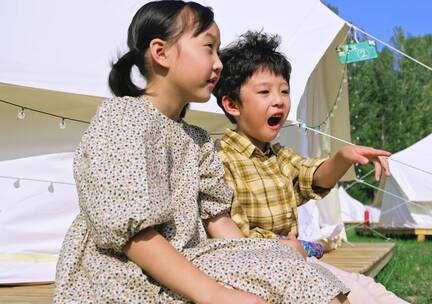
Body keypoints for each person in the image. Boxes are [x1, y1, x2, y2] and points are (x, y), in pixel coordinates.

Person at [53, 2, 350, 303]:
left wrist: (265, 257)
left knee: (306, 279)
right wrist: (216, 294)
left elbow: (218, 222)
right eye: (209, 48)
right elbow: (133, 236)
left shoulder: (196, 139)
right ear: (161, 52)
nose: (218, 63)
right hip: (126, 270)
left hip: (192, 257)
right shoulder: (123, 118)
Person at [214, 31, 409, 304]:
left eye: (284, 90)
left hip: (295, 258)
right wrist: (286, 250)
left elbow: (311, 176)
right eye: (264, 92)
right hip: (267, 269)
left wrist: (343, 157)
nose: (279, 100)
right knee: (349, 296)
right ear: (232, 104)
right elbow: (233, 239)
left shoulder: (278, 155)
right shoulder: (221, 160)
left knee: (368, 286)